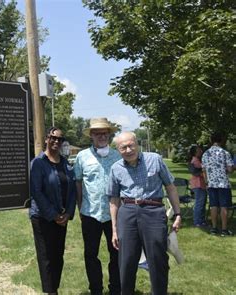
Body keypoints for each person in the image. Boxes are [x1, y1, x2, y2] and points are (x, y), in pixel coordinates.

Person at [107, 132, 181, 295]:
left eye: (130, 145)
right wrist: (114, 229)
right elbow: (113, 200)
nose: (128, 150)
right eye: (123, 147)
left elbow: (170, 187)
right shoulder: (115, 168)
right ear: (118, 150)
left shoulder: (155, 159)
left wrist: (177, 213)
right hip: (127, 213)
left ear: (137, 144)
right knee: (126, 261)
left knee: (157, 259)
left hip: (153, 211)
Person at [74, 118, 121, 295]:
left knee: (116, 254)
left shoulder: (118, 156)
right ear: (91, 136)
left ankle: (116, 289)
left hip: (114, 214)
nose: (101, 136)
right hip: (90, 213)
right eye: (97, 133)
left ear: (109, 134)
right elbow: (78, 182)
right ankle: (96, 289)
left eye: (105, 133)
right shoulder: (82, 156)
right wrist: (80, 207)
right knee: (90, 254)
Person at [29, 127, 76, 295]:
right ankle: (50, 292)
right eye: (53, 138)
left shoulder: (66, 164)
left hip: (62, 218)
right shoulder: (38, 163)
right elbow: (36, 191)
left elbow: (72, 191)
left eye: (60, 139)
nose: (56, 141)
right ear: (47, 139)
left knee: (58, 256)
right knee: (47, 257)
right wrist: (53, 215)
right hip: (43, 218)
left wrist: (68, 213)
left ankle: (54, 288)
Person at [201, 133, 234, 236]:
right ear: (221, 140)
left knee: (213, 206)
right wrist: (230, 169)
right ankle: (224, 230)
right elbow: (230, 169)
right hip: (223, 183)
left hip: (211, 183)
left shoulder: (205, 154)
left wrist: (206, 182)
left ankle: (214, 228)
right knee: (224, 206)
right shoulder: (225, 153)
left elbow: (204, 170)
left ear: (211, 140)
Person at [188, 145, 208, 227]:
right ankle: (197, 221)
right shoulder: (195, 161)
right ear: (195, 152)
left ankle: (202, 220)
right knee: (199, 203)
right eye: (199, 150)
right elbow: (201, 171)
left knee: (202, 203)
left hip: (201, 184)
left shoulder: (197, 160)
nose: (201, 151)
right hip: (198, 184)